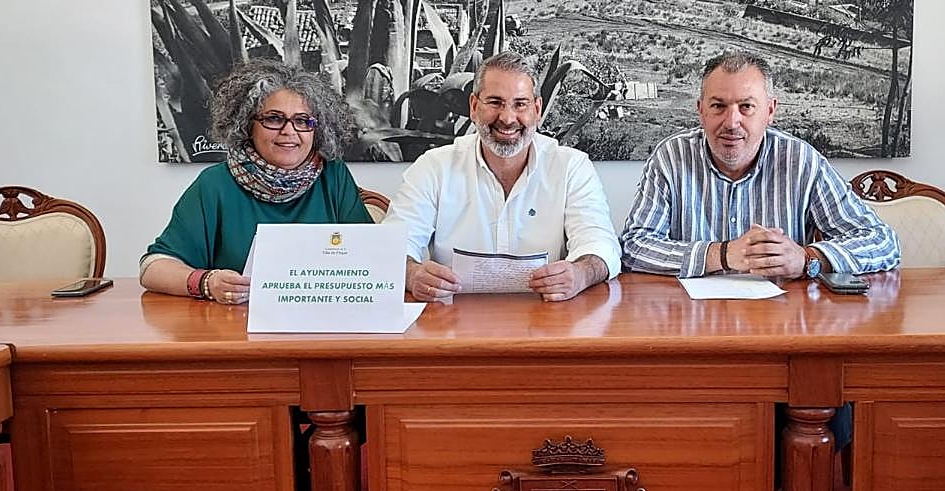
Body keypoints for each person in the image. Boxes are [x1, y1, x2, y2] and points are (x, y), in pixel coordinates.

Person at [621, 50, 900, 279]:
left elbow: (881, 241)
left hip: (779, 327)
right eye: (718, 106)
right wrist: (722, 254)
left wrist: (807, 259)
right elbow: (633, 247)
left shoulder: (800, 161)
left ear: (769, 111)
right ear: (701, 111)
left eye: (746, 107)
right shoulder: (671, 157)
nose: (731, 123)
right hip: (690, 325)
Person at [384, 51, 621, 303]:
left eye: (520, 104)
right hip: (450, 326)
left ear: (537, 109)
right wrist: (412, 274)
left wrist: (580, 273)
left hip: (549, 324)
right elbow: (391, 247)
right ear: (474, 107)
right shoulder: (433, 167)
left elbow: (601, 245)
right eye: (495, 102)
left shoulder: (571, 167)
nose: (507, 118)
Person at [140, 60, 371, 304]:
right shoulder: (216, 184)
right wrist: (207, 282)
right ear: (247, 124)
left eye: (303, 121)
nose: (289, 131)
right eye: (274, 118)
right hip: (235, 329)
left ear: (318, 129)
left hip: (323, 325)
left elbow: (369, 256)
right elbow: (153, 269)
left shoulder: (333, 175)